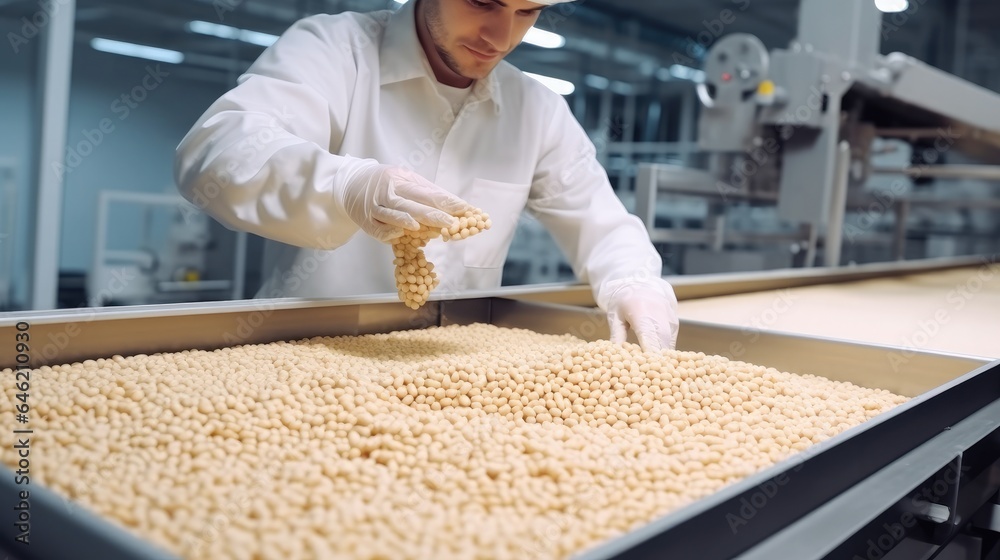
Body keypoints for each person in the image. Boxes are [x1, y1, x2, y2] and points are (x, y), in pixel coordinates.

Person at [174, 0, 680, 351]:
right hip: (305, 358)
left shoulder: (537, 111)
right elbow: (215, 150)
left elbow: (600, 222)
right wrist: (347, 186)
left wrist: (633, 280)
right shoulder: (336, 50)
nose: (501, 37)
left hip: (450, 372)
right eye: (482, 2)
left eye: (527, 12)